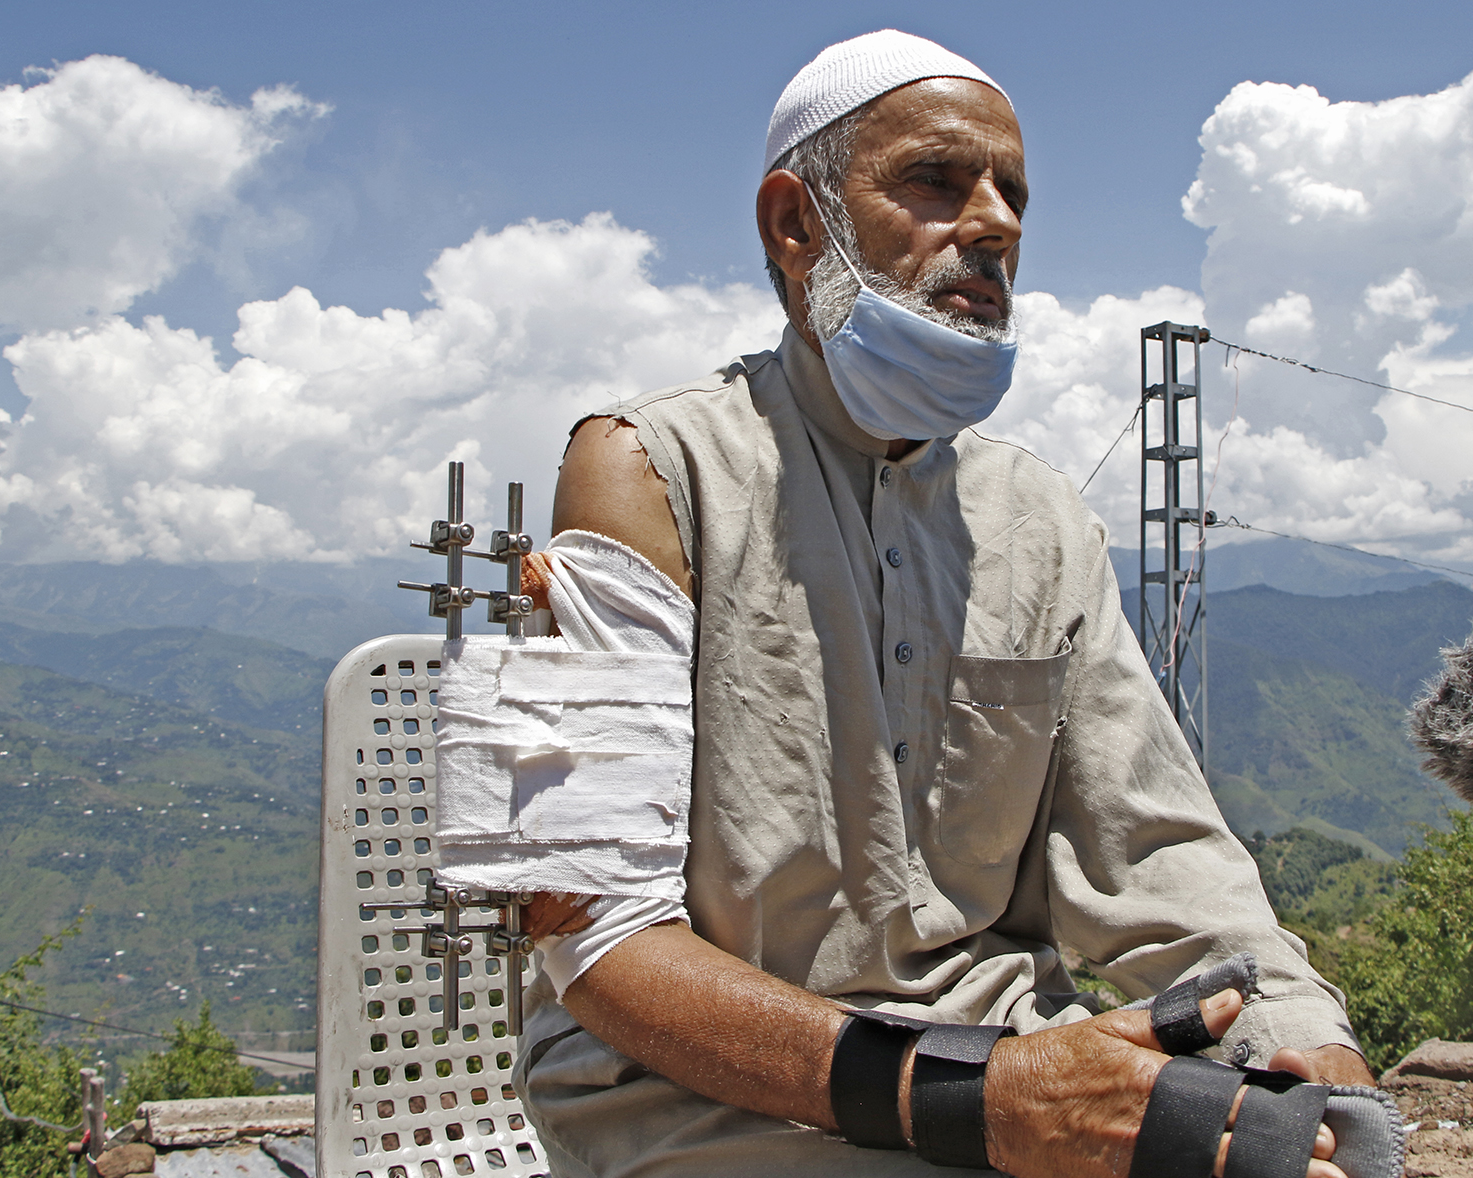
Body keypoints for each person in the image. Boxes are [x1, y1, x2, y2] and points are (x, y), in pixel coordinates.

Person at [502, 29, 1373, 1177]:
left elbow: (1160, 848)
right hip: (694, 1097)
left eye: (1012, 194)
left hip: (1008, 1069)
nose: (995, 222)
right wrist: (973, 1099)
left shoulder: (1041, 518)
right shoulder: (645, 472)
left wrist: (1303, 1045)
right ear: (795, 223)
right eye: (934, 180)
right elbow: (594, 934)